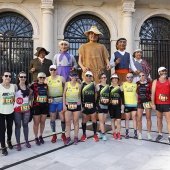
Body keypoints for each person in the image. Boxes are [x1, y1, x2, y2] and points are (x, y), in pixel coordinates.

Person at [44, 65, 66, 143]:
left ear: (57, 70)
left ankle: (63, 134)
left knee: (62, 118)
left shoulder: (61, 78)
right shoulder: (46, 79)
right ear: (49, 70)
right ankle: (54, 134)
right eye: (51, 69)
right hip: (51, 101)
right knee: (52, 118)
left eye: (54, 70)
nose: (53, 71)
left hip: (60, 100)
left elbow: (67, 86)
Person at [151, 67, 170, 143]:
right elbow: (153, 93)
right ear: (159, 73)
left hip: (167, 103)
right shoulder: (155, 81)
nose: (164, 72)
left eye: (165, 71)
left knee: (168, 120)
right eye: (162, 71)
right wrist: (153, 103)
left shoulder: (169, 80)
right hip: (158, 103)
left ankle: (169, 136)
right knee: (159, 119)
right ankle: (160, 134)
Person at [29, 72, 48, 145]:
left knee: (42, 122)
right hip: (36, 106)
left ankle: (40, 136)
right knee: (36, 123)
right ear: (38, 78)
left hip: (45, 106)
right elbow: (28, 94)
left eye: (43, 77)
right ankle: (36, 137)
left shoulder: (46, 85)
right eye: (40, 77)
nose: (42, 79)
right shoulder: (34, 85)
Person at [14, 71, 31, 151]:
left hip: (26, 110)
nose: (23, 78)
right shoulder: (16, 86)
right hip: (17, 109)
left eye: (24, 77)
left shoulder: (28, 86)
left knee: (25, 125)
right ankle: (18, 143)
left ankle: (26, 141)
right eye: (21, 77)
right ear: (18, 77)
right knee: (18, 126)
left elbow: (30, 95)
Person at [63, 71, 81, 145]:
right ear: (70, 77)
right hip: (68, 105)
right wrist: (64, 105)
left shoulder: (79, 85)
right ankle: (68, 137)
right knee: (67, 122)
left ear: (77, 77)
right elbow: (64, 94)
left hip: (77, 105)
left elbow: (80, 96)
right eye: (72, 76)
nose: (73, 77)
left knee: (76, 122)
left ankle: (76, 137)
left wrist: (81, 106)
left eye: (75, 76)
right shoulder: (67, 84)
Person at [80, 71, 99, 142]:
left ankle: (95, 134)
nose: (88, 77)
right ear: (85, 76)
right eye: (87, 75)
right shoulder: (82, 84)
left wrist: (96, 103)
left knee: (94, 119)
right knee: (84, 120)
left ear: (92, 77)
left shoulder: (93, 84)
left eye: (90, 76)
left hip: (92, 104)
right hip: (84, 104)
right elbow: (79, 94)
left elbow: (98, 91)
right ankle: (84, 134)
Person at [0, 70, 15, 156]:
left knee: (10, 129)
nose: (8, 78)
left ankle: (8, 140)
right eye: (6, 76)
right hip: (1, 112)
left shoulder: (13, 86)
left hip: (10, 111)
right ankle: (3, 146)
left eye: (9, 76)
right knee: (2, 130)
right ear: (2, 77)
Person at [136, 72, 152, 140]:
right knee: (139, 118)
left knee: (148, 118)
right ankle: (140, 133)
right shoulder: (137, 84)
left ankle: (148, 133)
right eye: (140, 76)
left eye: (143, 75)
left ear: (145, 76)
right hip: (140, 102)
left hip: (147, 102)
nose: (141, 77)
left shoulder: (149, 83)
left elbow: (152, 93)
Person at [108, 74, 124, 140]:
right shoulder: (109, 87)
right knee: (112, 120)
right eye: (113, 78)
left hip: (118, 106)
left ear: (118, 79)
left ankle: (118, 132)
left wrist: (123, 104)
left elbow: (122, 97)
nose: (114, 80)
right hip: (111, 106)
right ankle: (114, 132)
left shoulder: (120, 87)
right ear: (111, 80)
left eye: (116, 78)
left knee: (118, 120)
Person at [122, 73, 137, 139]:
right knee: (127, 119)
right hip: (127, 104)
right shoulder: (123, 84)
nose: (129, 78)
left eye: (131, 77)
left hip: (134, 104)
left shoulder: (135, 85)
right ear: (126, 78)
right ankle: (127, 132)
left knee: (134, 118)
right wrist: (122, 103)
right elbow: (121, 95)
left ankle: (135, 133)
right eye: (128, 77)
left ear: (133, 77)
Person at [96, 73, 110, 141]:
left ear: (106, 78)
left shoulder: (108, 87)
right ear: (100, 79)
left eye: (104, 77)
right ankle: (103, 134)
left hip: (106, 105)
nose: (104, 79)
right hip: (100, 105)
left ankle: (99, 132)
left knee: (104, 121)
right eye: (102, 78)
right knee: (101, 120)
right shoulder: (98, 86)